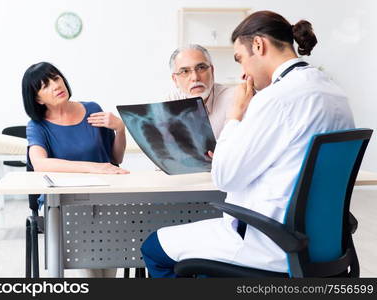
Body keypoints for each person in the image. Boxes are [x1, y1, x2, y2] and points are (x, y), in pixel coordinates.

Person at [141, 10, 355, 277]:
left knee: (153, 247)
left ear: (258, 45)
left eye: (240, 59)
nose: (243, 71)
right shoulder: (335, 93)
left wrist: (235, 117)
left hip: (271, 241)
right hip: (323, 244)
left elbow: (225, 178)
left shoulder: (276, 98)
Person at [22, 62, 128, 278]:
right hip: (64, 202)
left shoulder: (92, 110)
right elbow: (40, 164)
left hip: (104, 197)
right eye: (45, 85)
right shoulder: (37, 125)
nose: (55, 85)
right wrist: (95, 168)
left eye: (56, 78)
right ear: (38, 99)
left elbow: (116, 157)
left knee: (109, 269)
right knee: (91, 271)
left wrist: (120, 129)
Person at [167, 44, 234, 139]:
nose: (195, 78)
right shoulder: (171, 101)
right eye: (185, 71)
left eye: (201, 68)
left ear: (212, 71)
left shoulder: (233, 98)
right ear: (175, 80)